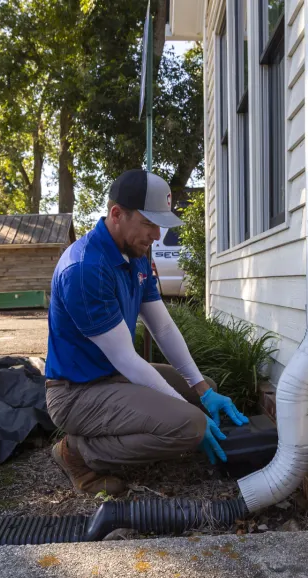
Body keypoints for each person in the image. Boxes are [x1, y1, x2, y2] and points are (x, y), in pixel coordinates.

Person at [45, 169, 249, 496]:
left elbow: (163, 326)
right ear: (116, 214)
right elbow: (128, 359)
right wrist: (189, 418)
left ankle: (174, 422)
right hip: (77, 392)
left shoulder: (134, 253)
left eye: (159, 225)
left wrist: (201, 390)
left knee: (202, 391)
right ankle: (78, 454)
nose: (156, 235)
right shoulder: (85, 269)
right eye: (149, 223)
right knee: (191, 423)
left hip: (114, 375)